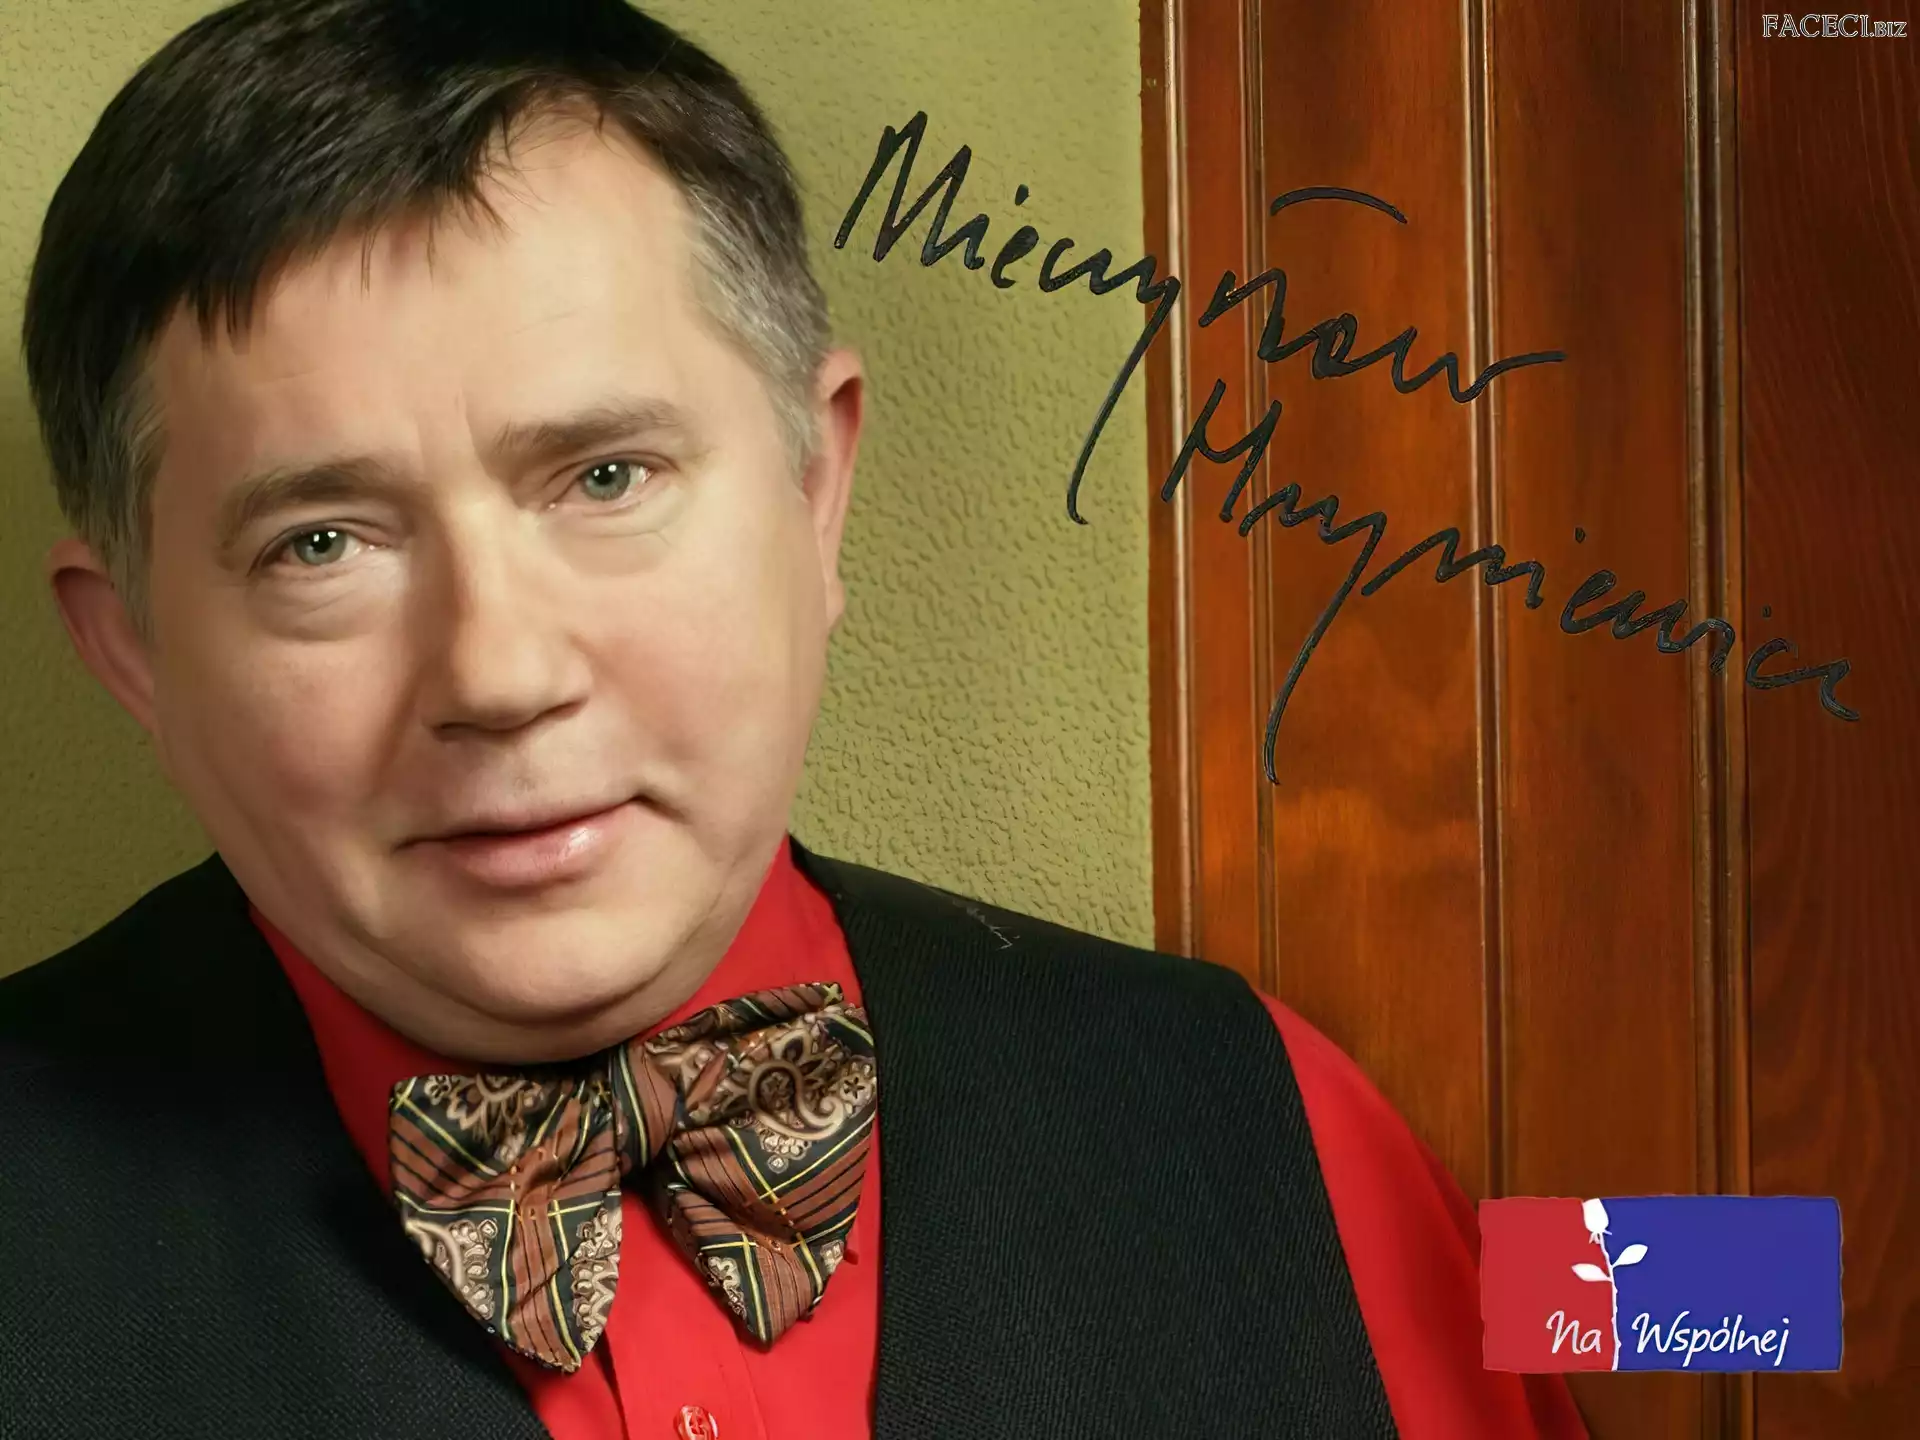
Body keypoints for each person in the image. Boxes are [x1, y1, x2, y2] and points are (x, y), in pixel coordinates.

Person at [0, 2, 1588, 1437]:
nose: (499, 672)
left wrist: (1738, 1273)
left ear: (817, 491)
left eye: (606, 476)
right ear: (131, 649)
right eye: (322, 545)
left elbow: (1715, 1307)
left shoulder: (1277, 1117)